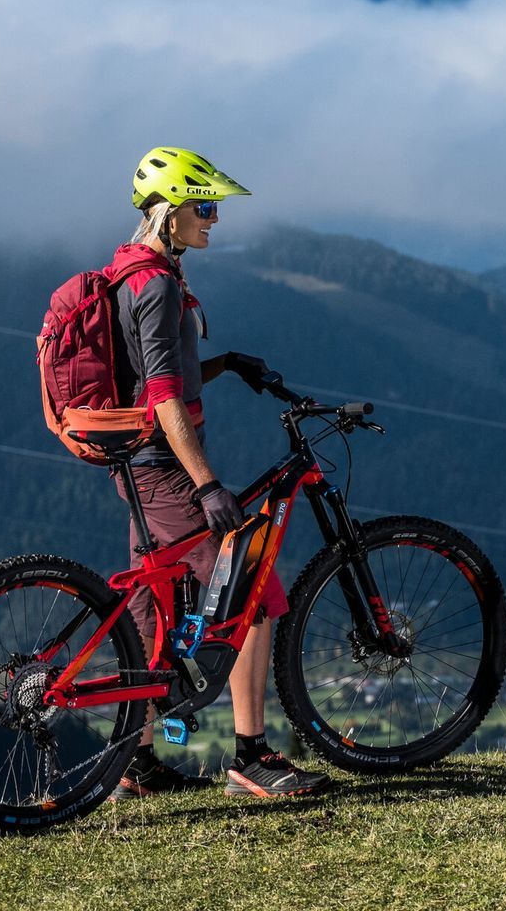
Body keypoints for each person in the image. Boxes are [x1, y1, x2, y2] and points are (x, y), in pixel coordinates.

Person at [106, 146, 331, 800]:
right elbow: (164, 399)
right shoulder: (155, 287)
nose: (214, 220)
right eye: (204, 207)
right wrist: (205, 483)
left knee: (150, 611)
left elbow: (160, 376)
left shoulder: (135, 274)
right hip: (165, 471)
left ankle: (135, 762)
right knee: (254, 596)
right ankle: (253, 758)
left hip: (140, 470)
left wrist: (225, 362)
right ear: (170, 212)